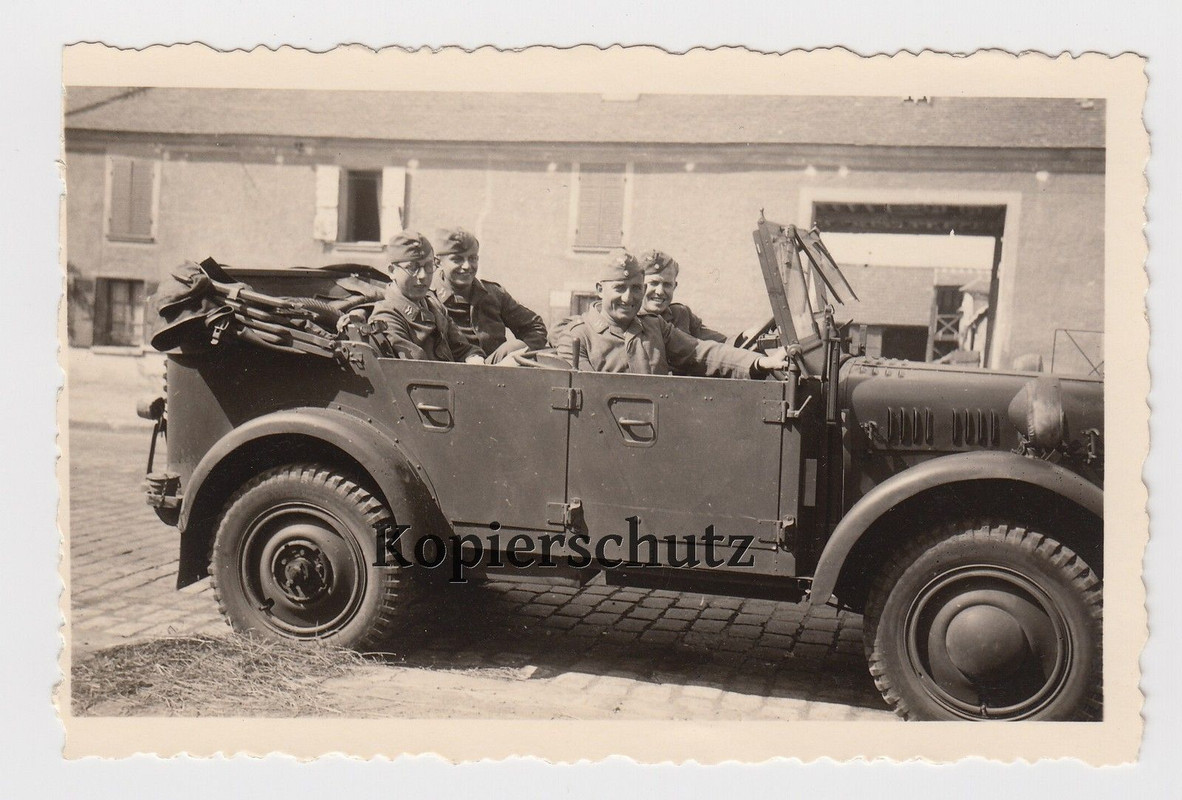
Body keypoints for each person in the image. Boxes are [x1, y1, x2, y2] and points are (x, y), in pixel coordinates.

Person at [553, 251, 791, 377]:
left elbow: (703, 351)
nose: (628, 298)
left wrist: (758, 362)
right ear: (599, 290)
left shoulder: (655, 326)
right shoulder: (577, 337)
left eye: (636, 288)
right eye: (619, 288)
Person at [431, 227, 549, 363]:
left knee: (515, 347)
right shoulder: (428, 298)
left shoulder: (494, 294)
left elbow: (535, 327)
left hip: (497, 376)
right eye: (457, 259)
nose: (467, 266)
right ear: (438, 262)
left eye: (472, 258)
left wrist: (518, 357)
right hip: (448, 375)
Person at [366, 231, 486, 363]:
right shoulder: (386, 317)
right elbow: (420, 370)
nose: (423, 276)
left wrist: (474, 358)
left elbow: (463, 348)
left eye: (428, 266)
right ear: (392, 271)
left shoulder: (433, 304)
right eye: (412, 267)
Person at [637, 249, 729, 343]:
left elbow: (720, 342)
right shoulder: (628, 321)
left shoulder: (680, 315)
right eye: (653, 283)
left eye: (667, 284)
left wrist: (743, 337)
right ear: (639, 285)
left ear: (674, 287)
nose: (660, 291)